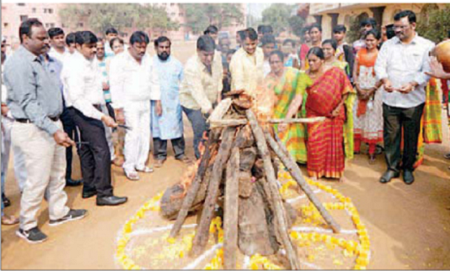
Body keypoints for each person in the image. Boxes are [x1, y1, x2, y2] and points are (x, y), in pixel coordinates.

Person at [4, 19, 87, 243]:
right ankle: (27, 224)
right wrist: (53, 129)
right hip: (33, 128)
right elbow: (29, 103)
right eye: (40, 38)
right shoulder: (18, 64)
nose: (45, 41)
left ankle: (58, 213)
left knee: (58, 172)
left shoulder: (41, 59)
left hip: (52, 123)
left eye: (45, 37)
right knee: (37, 179)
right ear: (25, 39)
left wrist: (56, 125)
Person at [64, 30, 127, 205]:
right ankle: (104, 193)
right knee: (102, 150)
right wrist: (101, 117)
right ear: (77, 46)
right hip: (84, 111)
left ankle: (90, 186)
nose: (93, 50)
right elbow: (77, 99)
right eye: (89, 47)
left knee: (86, 149)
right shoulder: (74, 66)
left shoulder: (88, 61)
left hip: (93, 109)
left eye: (95, 47)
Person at [375, 10, 434, 185]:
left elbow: (427, 71)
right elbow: (380, 66)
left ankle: (407, 168)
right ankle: (392, 168)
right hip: (390, 99)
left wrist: (413, 84)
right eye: (396, 27)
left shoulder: (426, 46)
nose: (398, 30)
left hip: (414, 101)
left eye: (402, 27)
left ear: (413, 25)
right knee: (391, 136)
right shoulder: (388, 45)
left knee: (411, 136)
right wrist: (385, 80)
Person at [109, 31, 160, 180]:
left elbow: (154, 80)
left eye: (144, 47)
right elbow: (115, 86)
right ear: (130, 45)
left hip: (144, 102)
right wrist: (118, 109)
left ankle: (140, 163)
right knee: (133, 135)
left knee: (145, 134)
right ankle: (129, 166)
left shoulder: (148, 59)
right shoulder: (119, 60)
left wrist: (157, 101)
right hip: (128, 104)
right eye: (138, 47)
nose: (142, 50)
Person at [303, 47, 355, 180]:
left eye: (314, 60)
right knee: (315, 142)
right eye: (309, 61)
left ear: (322, 60)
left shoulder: (335, 72)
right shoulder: (305, 75)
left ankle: (333, 172)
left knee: (334, 144)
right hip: (314, 113)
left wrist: (339, 106)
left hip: (334, 114)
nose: (311, 64)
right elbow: (299, 95)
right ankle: (316, 172)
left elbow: (346, 89)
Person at [48, 28, 83, 188]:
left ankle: (71, 175)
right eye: (57, 38)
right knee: (60, 143)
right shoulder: (49, 58)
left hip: (72, 104)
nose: (61, 40)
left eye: (62, 37)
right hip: (57, 105)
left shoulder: (71, 55)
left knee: (75, 139)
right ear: (51, 40)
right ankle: (59, 179)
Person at [179, 35, 223, 159]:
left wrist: (218, 99)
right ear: (198, 51)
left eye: (211, 54)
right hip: (192, 102)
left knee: (212, 128)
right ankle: (200, 158)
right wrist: (212, 113)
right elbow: (199, 94)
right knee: (200, 127)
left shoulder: (217, 57)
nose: (209, 58)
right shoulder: (191, 68)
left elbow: (219, 77)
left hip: (210, 97)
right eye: (205, 55)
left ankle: (213, 154)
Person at [151, 36, 191, 168]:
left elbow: (184, 82)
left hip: (173, 102)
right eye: (161, 47)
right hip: (157, 103)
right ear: (156, 48)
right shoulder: (151, 64)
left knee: (176, 127)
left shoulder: (176, 64)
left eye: (167, 47)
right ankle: (160, 155)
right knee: (159, 128)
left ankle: (179, 153)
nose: (164, 50)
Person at [264, 50, 308, 163]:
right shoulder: (268, 79)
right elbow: (266, 100)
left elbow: (300, 95)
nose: (275, 65)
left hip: (292, 112)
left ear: (283, 61)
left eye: (277, 62)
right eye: (272, 63)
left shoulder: (295, 74)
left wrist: (289, 117)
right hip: (276, 115)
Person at [353, 30, 383, 163]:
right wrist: (358, 88)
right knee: (357, 117)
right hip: (359, 90)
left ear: (378, 41)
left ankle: (371, 150)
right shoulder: (359, 53)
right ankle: (356, 148)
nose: (369, 43)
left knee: (372, 119)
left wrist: (372, 90)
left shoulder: (381, 55)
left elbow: (382, 76)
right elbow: (354, 72)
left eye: (372, 40)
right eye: (367, 40)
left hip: (374, 92)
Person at [96, 38, 123, 167]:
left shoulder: (110, 61)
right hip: (99, 103)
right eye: (97, 48)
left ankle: (116, 154)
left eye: (102, 48)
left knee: (115, 130)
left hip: (112, 101)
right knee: (104, 131)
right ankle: (107, 156)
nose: (100, 51)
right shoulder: (91, 63)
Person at [230, 27, 264, 97]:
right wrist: (245, 99)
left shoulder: (260, 53)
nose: (250, 47)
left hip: (259, 97)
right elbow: (238, 83)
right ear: (242, 42)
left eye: (253, 44)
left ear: (257, 41)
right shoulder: (237, 58)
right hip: (244, 100)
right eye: (247, 44)